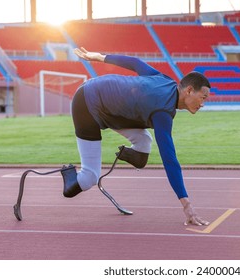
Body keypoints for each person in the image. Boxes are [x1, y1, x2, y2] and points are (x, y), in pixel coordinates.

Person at [62, 47, 211, 226]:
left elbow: (135, 63)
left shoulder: (164, 80)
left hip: (103, 100)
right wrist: (186, 204)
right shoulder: (163, 112)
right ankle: (68, 174)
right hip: (86, 104)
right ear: (188, 91)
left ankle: (124, 153)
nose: (203, 104)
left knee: (144, 141)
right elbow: (170, 160)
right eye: (203, 98)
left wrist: (99, 57)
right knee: (89, 178)